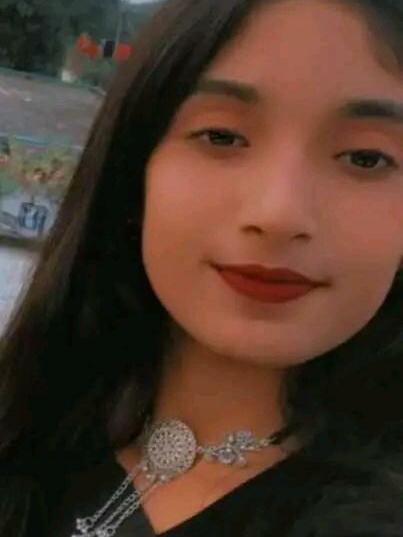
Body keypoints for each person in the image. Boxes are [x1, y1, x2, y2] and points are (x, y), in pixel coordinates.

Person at [0, 0, 403, 535]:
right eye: (221, 136)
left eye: (365, 158)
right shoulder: (32, 420)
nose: (279, 214)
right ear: (133, 170)